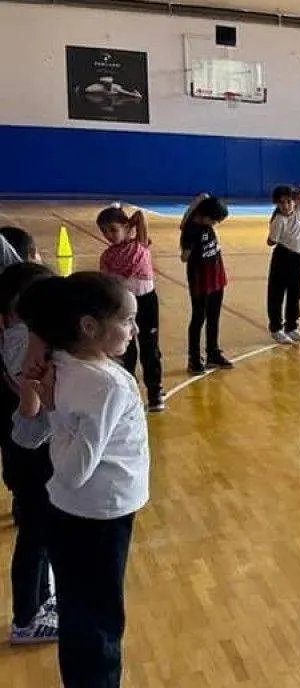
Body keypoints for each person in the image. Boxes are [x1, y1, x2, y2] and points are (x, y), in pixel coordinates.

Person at [17, 272, 150, 688]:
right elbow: (73, 471)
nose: (134, 329)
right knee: (98, 620)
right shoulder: (106, 385)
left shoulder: (64, 362)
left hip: (77, 512)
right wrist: (55, 415)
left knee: (80, 611)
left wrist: (55, 410)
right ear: (89, 326)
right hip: (97, 516)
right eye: (126, 321)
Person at [0, 262, 57, 646]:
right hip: (32, 453)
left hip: (27, 452)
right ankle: (25, 619)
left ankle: (40, 601)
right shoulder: (23, 339)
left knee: (39, 532)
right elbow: (31, 405)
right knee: (36, 535)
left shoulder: (20, 332)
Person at [97, 205, 164, 411]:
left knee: (150, 348)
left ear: (127, 228)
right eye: (104, 231)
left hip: (146, 302)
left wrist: (128, 225)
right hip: (123, 307)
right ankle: (130, 393)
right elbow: (107, 284)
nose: (109, 235)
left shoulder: (140, 244)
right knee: (127, 350)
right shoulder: (107, 257)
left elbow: (139, 215)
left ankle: (155, 391)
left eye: (113, 229)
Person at [180, 194, 233, 375]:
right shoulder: (191, 230)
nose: (215, 224)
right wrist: (190, 247)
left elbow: (203, 196)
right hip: (200, 279)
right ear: (205, 215)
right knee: (198, 318)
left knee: (213, 317)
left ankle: (213, 353)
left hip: (216, 276)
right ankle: (194, 358)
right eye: (214, 220)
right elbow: (184, 257)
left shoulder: (205, 224)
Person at [266, 184, 300, 344]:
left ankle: (291, 327)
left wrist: (294, 195)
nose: (285, 206)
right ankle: (276, 329)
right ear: (276, 204)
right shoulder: (279, 220)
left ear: (295, 200)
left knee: (295, 294)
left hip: (299, 258)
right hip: (283, 257)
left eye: (288, 201)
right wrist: (274, 227)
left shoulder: (299, 209)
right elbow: (270, 242)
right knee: (277, 294)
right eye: (281, 203)